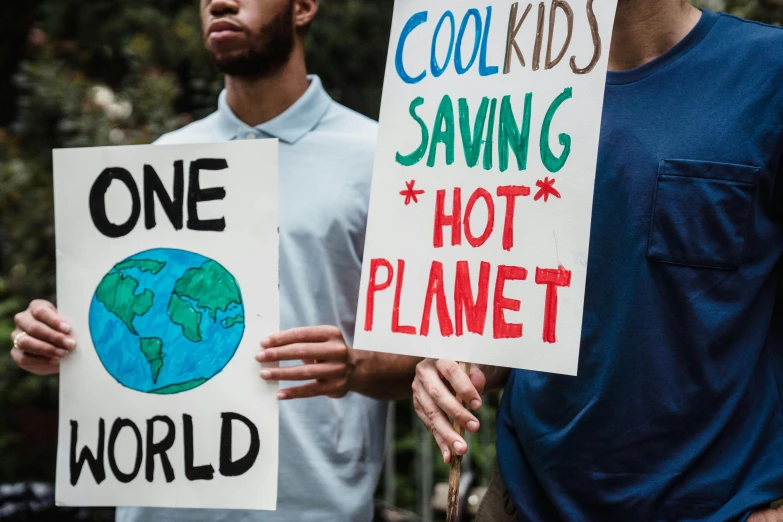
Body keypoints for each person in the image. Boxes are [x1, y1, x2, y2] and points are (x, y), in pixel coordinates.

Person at [10, 0, 419, 521]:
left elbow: (431, 358)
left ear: (305, 7)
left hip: (311, 507)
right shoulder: (158, 159)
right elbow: (120, 330)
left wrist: (358, 366)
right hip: (156, 506)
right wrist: (54, 342)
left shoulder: (381, 158)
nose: (219, 3)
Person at [412, 1, 783, 521]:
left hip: (719, 505)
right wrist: (455, 363)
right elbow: (517, 322)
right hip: (526, 497)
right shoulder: (504, 85)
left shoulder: (768, 73)